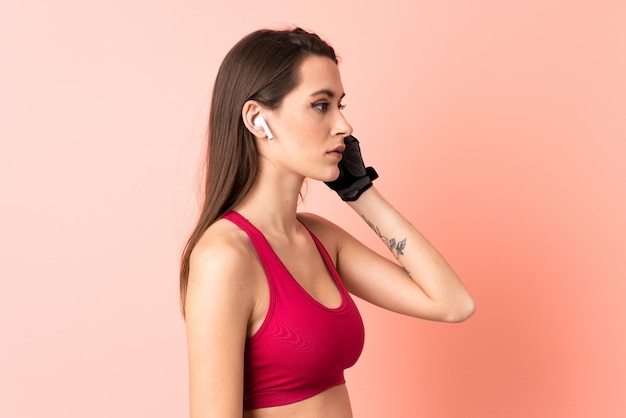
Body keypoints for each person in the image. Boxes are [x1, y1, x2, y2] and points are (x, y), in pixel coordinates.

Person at [180, 27, 475, 418]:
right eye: (321, 105)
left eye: (341, 105)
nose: (344, 127)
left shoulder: (319, 238)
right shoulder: (224, 257)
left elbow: (453, 303)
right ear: (257, 119)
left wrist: (360, 192)